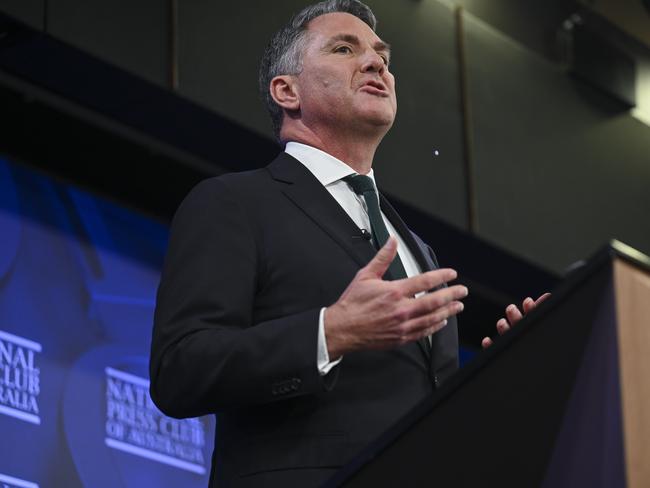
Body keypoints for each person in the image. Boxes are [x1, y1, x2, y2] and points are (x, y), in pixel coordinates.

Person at [149, 1, 545, 486]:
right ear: (287, 90)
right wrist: (330, 331)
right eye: (344, 48)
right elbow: (181, 370)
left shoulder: (415, 247)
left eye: (383, 56)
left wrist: (506, 374)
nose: (378, 63)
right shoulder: (234, 202)